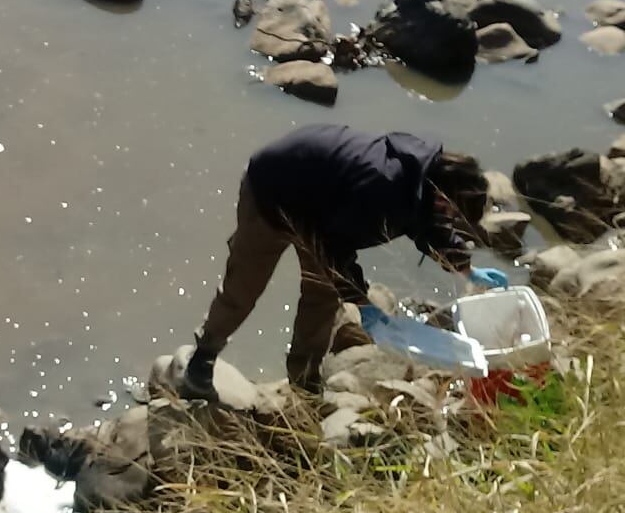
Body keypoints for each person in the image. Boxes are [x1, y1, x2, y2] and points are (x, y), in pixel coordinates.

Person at [185, 123, 508, 397]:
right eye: (452, 213)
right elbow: (332, 248)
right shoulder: (384, 188)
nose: (450, 220)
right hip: (273, 192)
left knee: (322, 297)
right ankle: (204, 356)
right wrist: (364, 304)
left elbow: (429, 226)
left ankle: (304, 381)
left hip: (326, 206)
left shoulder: (425, 182)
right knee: (246, 284)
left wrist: (467, 269)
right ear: (443, 196)